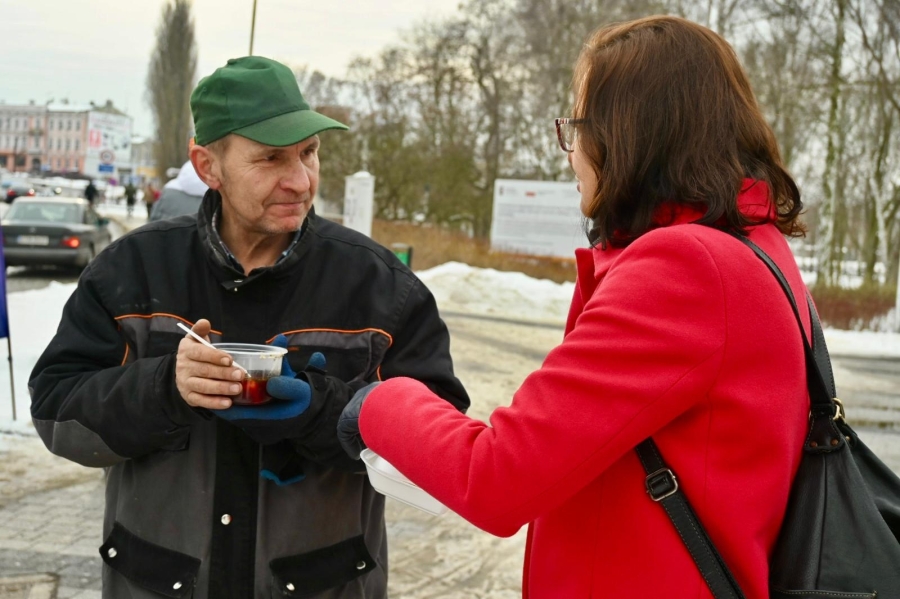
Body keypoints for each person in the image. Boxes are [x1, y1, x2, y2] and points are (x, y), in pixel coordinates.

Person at [338, 15, 812, 598]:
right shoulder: (754, 246)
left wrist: (379, 403)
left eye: (579, 127)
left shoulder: (686, 268)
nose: (573, 154)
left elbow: (497, 477)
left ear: (630, 136)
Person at [29, 55, 469, 598]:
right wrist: (165, 389)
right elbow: (56, 411)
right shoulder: (130, 273)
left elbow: (442, 447)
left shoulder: (381, 288)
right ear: (207, 165)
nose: (300, 180)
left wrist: (322, 412)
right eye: (271, 158)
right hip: (158, 582)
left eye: (309, 153)